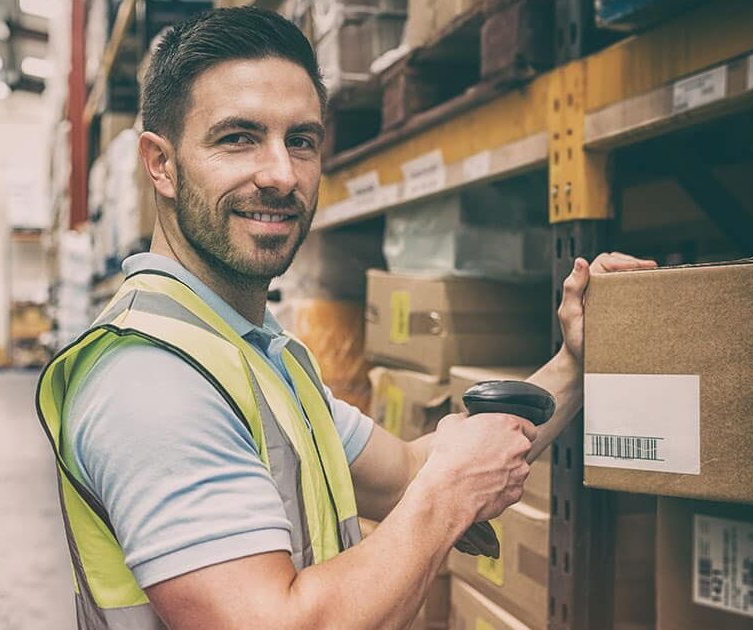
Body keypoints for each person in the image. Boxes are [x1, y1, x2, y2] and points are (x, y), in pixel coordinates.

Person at [36, 8, 658, 629]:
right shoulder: (153, 383)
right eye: (238, 138)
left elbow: (412, 471)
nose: (281, 175)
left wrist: (573, 363)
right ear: (161, 164)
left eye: (300, 140)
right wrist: (450, 496)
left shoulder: (251, 353)